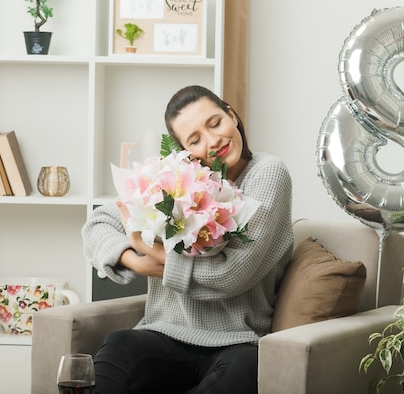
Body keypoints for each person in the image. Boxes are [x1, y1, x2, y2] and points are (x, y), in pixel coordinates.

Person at [82, 85, 294, 394]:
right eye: (195, 140)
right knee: (119, 345)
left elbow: (230, 275)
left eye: (215, 123)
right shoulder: (173, 180)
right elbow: (98, 223)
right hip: (163, 334)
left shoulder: (268, 173)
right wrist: (137, 261)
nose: (213, 141)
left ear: (231, 115)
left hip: (238, 342)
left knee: (247, 369)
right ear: (183, 151)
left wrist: (149, 250)